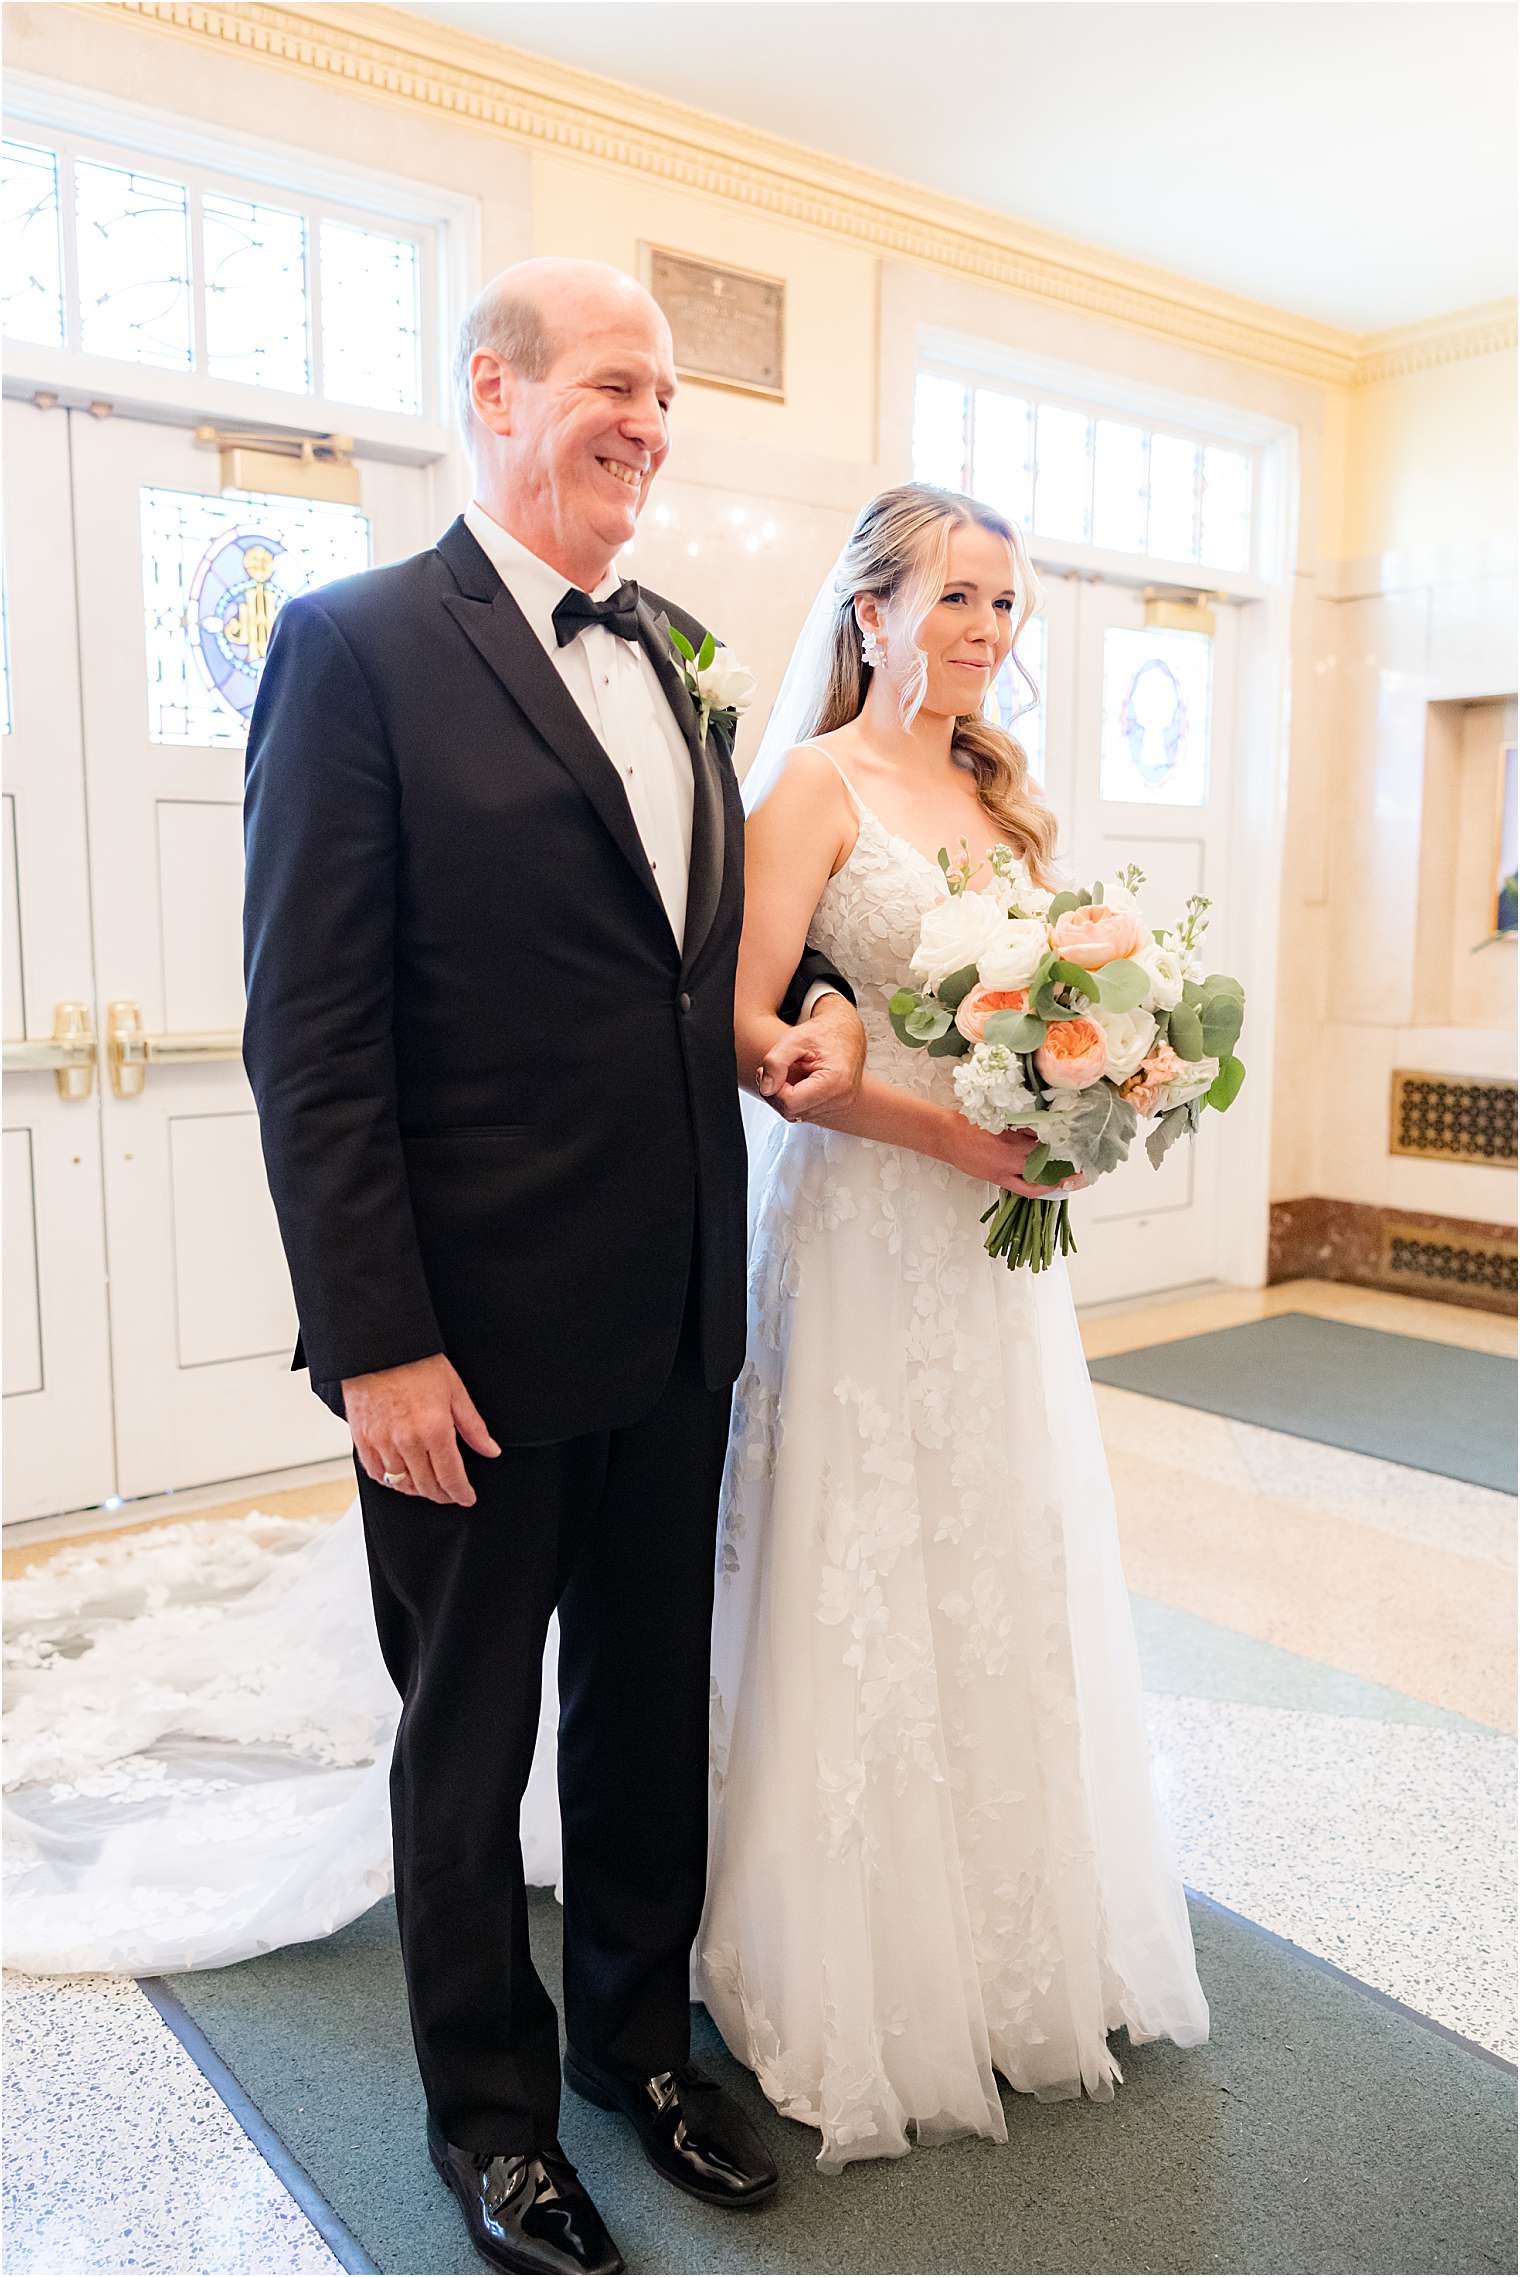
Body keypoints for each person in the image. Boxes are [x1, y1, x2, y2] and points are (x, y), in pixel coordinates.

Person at [240, 258, 868, 2276]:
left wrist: (810, 1016)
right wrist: (378, 1344)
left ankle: (631, 2040)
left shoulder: (681, 654)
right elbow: (311, 1033)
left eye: (671, 398)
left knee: (639, 1710)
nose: (652, 425)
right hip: (467, 1343)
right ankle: (489, 2117)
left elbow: (707, 951)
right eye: (619, 381)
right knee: (468, 1729)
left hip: (678, 1310)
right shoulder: (352, 650)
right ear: (495, 390)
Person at [695, 483, 1211, 2170]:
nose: (989, 631)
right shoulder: (814, 787)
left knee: (991, 1560)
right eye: (963, 597)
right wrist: (926, 1115)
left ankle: (999, 1938)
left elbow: (1049, 1010)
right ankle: (843, 1956)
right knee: (861, 1552)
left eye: (1009, 606)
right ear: (870, 611)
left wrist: (1092, 1099)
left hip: (994, 1263)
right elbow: (744, 1023)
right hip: (859, 1230)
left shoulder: (1009, 799)